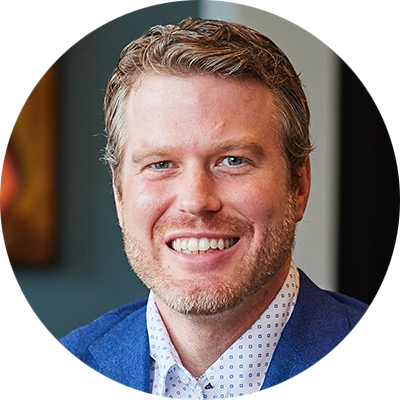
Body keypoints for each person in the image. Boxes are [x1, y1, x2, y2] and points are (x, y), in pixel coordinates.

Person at [1, 17, 400, 399]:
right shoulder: (31, 384)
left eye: (233, 161)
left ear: (299, 185)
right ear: (119, 194)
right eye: (161, 164)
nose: (195, 200)